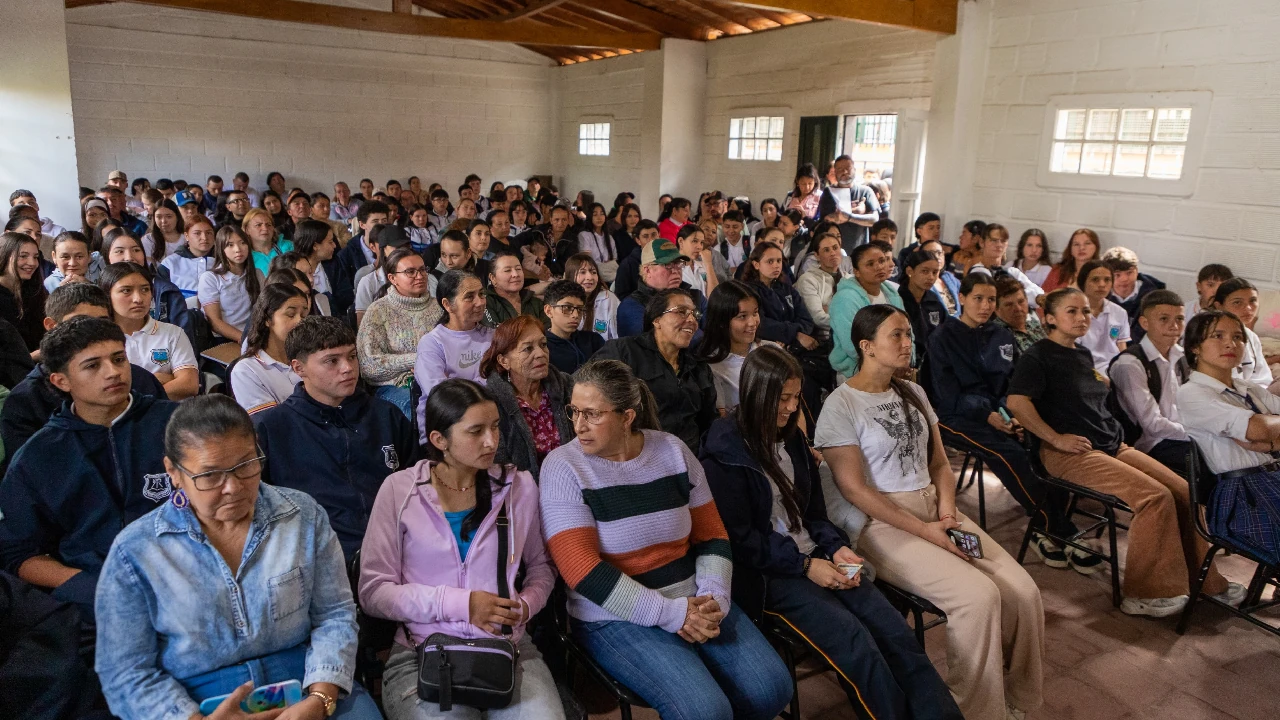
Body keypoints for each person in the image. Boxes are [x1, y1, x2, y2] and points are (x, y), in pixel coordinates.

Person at [701, 345, 962, 719]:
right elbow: (741, 541)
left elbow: (815, 514)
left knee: (895, 633)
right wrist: (807, 566)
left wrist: (836, 547)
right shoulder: (724, 451)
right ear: (757, 393)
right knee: (858, 645)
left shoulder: (790, 438)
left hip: (818, 556)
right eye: (782, 399)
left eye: (795, 397)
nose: (792, 408)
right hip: (773, 574)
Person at [819, 305, 1045, 720]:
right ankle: (976, 711)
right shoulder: (841, 405)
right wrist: (927, 531)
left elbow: (940, 463)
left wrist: (945, 513)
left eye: (909, 334)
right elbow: (854, 489)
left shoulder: (913, 392)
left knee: (1024, 592)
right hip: (883, 523)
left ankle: (1023, 702)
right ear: (867, 346)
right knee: (977, 598)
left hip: (934, 509)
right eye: (897, 336)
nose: (909, 344)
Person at [94, 395, 380, 720]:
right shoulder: (136, 550)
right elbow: (125, 671)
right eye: (210, 475)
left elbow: (334, 615)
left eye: (245, 465)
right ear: (173, 472)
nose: (232, 487)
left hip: (305, 677)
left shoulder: (301, 516)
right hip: (194, 697)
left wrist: (320, 698)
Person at [540, 358, 792, 719]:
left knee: (771, 689)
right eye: (574, 412)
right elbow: (581, 569)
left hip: (693, 596)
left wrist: (714, 596)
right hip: (614, 616)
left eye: (593, 414)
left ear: (627, 417)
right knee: (705, 711)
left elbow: (712, 536)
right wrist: (671, 614)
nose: (578, 425)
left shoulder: (672, 451)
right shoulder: (563, 467)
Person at [1007, 288, 1239, 618]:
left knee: (1186, 493)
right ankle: (1145, 592)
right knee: (1154, 498)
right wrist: (1056, 439)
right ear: (1049, 318)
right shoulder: (1038, 356)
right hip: (1072, 453)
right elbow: (1017, 402)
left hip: (1111, 445)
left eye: (1086, 311)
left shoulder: (1082, 354)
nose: (1082, 317)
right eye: (1072, 311)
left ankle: (1203, 581)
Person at [361, 379, 562, 720]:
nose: (491, 441)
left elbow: (542, 567)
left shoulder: (519, 487)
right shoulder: (399, 490)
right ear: (440, 440)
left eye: (496, 427)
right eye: (476, 431)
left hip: (506, 647)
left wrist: (525, 607)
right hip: (422, 650)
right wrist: (462, 605)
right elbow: (374, 592)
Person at [0, 317, 179, 618]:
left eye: (119, 359)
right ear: (61, 381)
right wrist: (95, 588)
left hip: (190, 576)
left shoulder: (179, 425)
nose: (113, 372)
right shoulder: (38, 456)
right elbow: (17, 552)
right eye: (92, 365)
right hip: (96, 600)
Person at [927, 274, 1088, 570]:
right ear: (961, 298)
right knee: (1008, 452)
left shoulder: (1001, 336)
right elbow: (947, 394)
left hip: (1000, 414)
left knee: (1043, 442)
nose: (986, 306)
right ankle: (1060, 529)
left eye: (991, 300)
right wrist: (988, 415)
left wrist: (1011, 416)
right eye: (978, 298)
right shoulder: (943, 337)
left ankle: (1044, 530)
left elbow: (1012, 386)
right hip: (955, 416)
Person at [256, 316, 419, 563]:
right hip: (318, 558)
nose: (347, 368)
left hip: (398, 545)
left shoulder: (386, 415)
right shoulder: (273, 429)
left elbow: (418, 485)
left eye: (351, 356)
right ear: (299, 368)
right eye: (332, 361)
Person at [1, 283, 166, 464]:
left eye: (102, 322)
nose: (93, 334)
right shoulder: (25, 401)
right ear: (51, 325)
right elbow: (30, 474)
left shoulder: (140, 380)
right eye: (79, 323)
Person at [1177, 310, 1280, 566]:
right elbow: (1258, 429)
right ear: (1195, 347)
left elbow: (1267, 430)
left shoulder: (1249, 388)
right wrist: (1268, 436)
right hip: (1243, 496)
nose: (1230, 344)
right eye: (1217, 336)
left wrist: (1271, 440)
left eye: (1238, 337)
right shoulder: (1192, 393)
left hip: (1273, 479)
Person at [597, 288, 717, 453]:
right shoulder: (624, 351)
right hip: (637, 458)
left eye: (695, 314)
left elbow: (708, 423)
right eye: (681, 312)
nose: (692, 320)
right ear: (657, 320)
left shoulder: (698, 368)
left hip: (689, 461)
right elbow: (587, 393)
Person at [477, 316, 575, 480]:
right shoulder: (491, 402)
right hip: (520, 493)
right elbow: (496, 465)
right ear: (504, 361)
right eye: (528, 349)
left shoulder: (565, 385)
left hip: (573, 482)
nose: (540, 354)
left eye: (543, 345)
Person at [1108, 290, 1192, 477]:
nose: (1174, 326)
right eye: (1164, 319)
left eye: (1180, 319)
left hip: (1181, 434)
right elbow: (1152, 425)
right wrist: (1195, 434)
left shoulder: (1183, 358)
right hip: (1149, 443)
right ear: (1145, 323)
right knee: (1209, 462)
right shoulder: (1131, 364)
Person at [356, 247, 442, 418]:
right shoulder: (378, 311)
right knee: (420, 408)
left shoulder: (440, 307)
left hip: (439, 377)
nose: (420, 276)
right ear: (392, 278)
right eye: (410, 272)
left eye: (423, 269)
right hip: (396, 386)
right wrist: (416, 359)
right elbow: (368, 366)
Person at [415, 270, 494, 440]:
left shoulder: (493, 336)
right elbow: (442, 395)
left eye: (482, 294)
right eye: (469, 297)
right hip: (447, 427)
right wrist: (486, 384)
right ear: (448, 304)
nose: (480, 302)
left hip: (490, 422)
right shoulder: (432, 343)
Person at [103, 262, 198, 400]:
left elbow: (189, 385)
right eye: (126, 290)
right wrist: (157, 380)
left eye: (145, 289)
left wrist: (132, 397)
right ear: (107, 295)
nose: (138, 299)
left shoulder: (172, 333)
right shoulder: (100, 339)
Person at [102, 228, 196, 348]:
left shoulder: (167, 291)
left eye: (136, 250)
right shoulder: (97, 294)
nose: (129, 257)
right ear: (106, 256)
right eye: (119, 251)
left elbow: (185, 342)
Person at [230, 283, 309, 414]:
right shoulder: (247, 370)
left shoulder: (310, 358)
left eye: (304, 316)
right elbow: (269, 424)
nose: (300, 321)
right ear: (267, 318)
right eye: (291, 314)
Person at [696, 281, 773, 414]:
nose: (752, 323)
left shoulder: (772, 350)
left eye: (755, 313)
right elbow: (722, 421)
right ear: (721, 321)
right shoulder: (711, 368)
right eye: (742, 316)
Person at [829, 243, 903, 378]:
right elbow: (853, 345)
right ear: (856, 271)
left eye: (882, 261)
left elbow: (906, 331)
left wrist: (905, 360)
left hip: (894, 368)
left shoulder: (892, 293)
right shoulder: (845, 299)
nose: (879, 267)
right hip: (856, 371)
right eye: (870, 264)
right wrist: (887, 367)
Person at [617, 237, 692, 338]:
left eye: (678, 264)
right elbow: (655, 343)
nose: (675, 270)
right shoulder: (632, 306)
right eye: (668, 264)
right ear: (647, 270)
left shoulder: (696, 296)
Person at [199, 225, 262, 344]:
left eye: (242, 243)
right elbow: (215, 322)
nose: (238, 249)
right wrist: (245, 339)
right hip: (223, 339)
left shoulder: (257, 274)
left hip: (253, 335)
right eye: (230, 245)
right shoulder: (210, 278)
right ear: (221, 248)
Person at [967, 223, 1045, 310]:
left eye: (1003, 241)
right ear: (982, 242)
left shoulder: (1012, 271)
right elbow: (996, 297)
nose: (999, 245)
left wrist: (1035, 297)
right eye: (994, 240)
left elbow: (1039, 294)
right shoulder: (978, 271)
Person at [1214, 277, 1273, 387]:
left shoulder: (1252, 337)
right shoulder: (1209, 335)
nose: (1248, 308)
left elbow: (1262, 379)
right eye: (1237, 302)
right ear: (1219, 306)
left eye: (1253, 301)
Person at [818, 155, 881, 253]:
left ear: (855, 170)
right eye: (840, 169)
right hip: (833, 252)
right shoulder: (828, 193)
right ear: (835, 172)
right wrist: (856, 211)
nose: (844, 172)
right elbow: (826, 219)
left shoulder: (866, 191)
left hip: (860, 251)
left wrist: (849, 217)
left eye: (848, 168)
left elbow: (874, 219)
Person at [1103, 246, 1167, 343]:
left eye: (1129, 273)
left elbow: (1142, 334)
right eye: (1117, 275)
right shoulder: (1099, 296)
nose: (1124, 279)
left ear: (1136, 271)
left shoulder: (1153, 298)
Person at [353, 224, 414, 325]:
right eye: (397, 247)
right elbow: (363, 324)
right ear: (383, 250)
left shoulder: (419, 276)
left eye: (406, 246)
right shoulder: (368, 282)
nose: (403, 252)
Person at [795, 229, 854, 333]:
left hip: (850, 334)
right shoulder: (808, 280)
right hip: (824, 339)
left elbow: (861, 310)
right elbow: (818, 318)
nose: (832, 253)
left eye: (835, 248)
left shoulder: (850, 279)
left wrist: (829, 309)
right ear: (817, 255)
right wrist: (850, 321)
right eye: (826, 250)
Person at [1076, 259, 1131, 372]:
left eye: (1107, 280)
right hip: (1082, 368)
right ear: (1083, 282)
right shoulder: (1073, 311)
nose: (1102, 285)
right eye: (1095, 279)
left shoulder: (1119, 312)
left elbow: (1121, 346)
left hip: (1113, 368)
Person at [542, 279, 604, 374]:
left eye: (579, 309)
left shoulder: (593, 341)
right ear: (548, 311)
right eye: (567, 308)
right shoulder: (542, 347)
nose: (575, 315)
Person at [0, 231, 48, 352]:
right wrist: (33, 357)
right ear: (4, 255)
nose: (32, 263)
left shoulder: (34, 291)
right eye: (23, 256)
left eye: (36, 257)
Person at [898, 249, 947, 368]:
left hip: (933, 362)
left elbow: (944, 333)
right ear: (910, 271)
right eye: (924, 271)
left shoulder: (934, 301)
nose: (931, 277)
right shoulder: (898, 299)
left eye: (935, 272)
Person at [483, 251, 547, 328]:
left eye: (518, 269)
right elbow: (495, 334)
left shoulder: (536, 303)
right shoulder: (485, 303)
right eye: (507, 270)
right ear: (493, 278)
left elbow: (547, 333)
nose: (515, 274)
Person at [157, 214, 216, 298]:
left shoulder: (224, 262)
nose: (204, 238)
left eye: (209, 233)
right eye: (197, 233)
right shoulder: (170, 264)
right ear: (186, 236)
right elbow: (162, 298)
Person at [564, 253, 619, 341]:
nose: (590, 277)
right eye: (582, 272)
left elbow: (617, 338)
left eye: (593, 272)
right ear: (570, 275)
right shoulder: (563, 301)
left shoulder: (609, 299)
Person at [993, 277, 1047, 353]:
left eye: (1021, 301)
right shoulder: (997, 336)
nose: (1018, 308)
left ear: (1027, 300)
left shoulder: (1034, 324)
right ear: (996, 309)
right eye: (1009, 305)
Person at [612, 218, 661, 301]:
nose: (651, 240)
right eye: (645, 236)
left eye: (654, 235)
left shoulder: (666, 259)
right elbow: (622, 295)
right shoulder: (627, 264)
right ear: (638, 240)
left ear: (659, 235)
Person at [1040, 227, 1100, 292]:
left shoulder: (1103, 273)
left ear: (1096, 247)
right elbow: (1042, 297)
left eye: (1087, 243)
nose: (1081, 248)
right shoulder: (1058, 271)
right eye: (1076, 244)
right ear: (1070, 249)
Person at [241, 207, 294, 275]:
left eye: (268, 225)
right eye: (258, 225)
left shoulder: (289, 246)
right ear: (247, 230)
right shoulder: (244, 256)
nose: (265, 228)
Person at [140, 198, 185, 264]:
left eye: (169, 216)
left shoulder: (186, 238)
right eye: (159, 217)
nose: (164, 221)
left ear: (177, 217)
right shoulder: (148, 240)